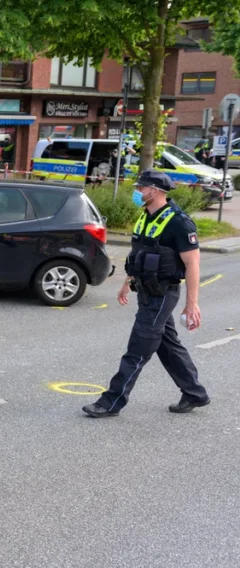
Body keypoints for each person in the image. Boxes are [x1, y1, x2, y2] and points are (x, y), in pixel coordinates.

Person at [83, 169, 209, 418]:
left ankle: (111, 401)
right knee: (168, 345)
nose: (137, 192)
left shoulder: (179, 222)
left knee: (137, 349)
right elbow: (140, 254)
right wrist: (127, 281)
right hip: (145, 292)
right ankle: (195, 393)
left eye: (141, 188)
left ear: (155, 190)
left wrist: (191, 304)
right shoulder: (145, 218)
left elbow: (193, 264)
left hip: (163, 295)